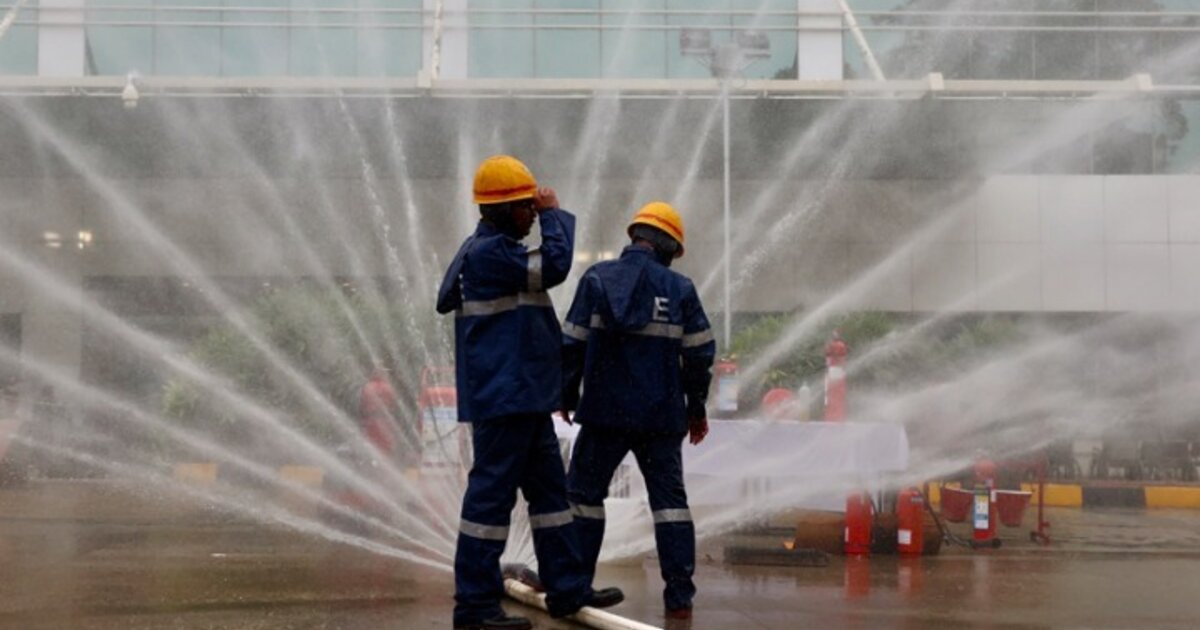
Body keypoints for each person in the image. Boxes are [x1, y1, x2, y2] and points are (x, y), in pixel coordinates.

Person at [436, 155, 623, 630]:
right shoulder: (488, 254)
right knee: (490, 502)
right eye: (524, 207)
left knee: (551, 497)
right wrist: (554, 212)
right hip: (505, 397)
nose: (531, 216)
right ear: (500, 210)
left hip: (525, 395)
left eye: (533, 208)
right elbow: (554, 266)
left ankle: (567, 588)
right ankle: (475, 606)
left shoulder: (499, 252)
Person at [561, 201, 717, 621]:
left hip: (604, 415)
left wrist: (566, 395)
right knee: (670, 506)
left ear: (635, 237)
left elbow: (571, 343)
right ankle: (679, 598)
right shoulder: (680, 289)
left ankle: (575, 585)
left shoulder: (596, 279)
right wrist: (696, 408)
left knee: (583, 499)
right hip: (661, 418)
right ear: (667, 246)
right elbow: (700, 355)